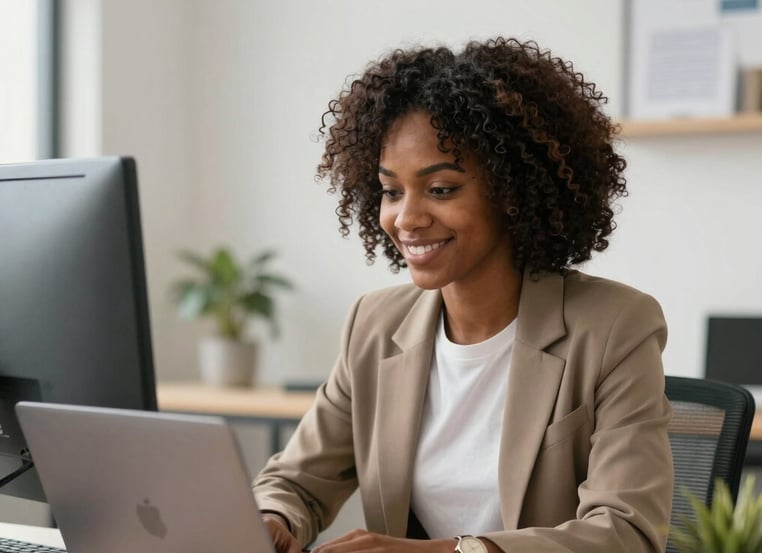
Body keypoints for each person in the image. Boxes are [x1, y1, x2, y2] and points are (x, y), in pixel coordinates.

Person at [253, 37, 673, 553]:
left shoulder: (614, 328)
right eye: (391, 190)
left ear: (512, 192)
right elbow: (295, 482)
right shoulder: (374, 325)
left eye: (441, 189)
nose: (406, 218)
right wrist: (272, 520)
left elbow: (626, 532)